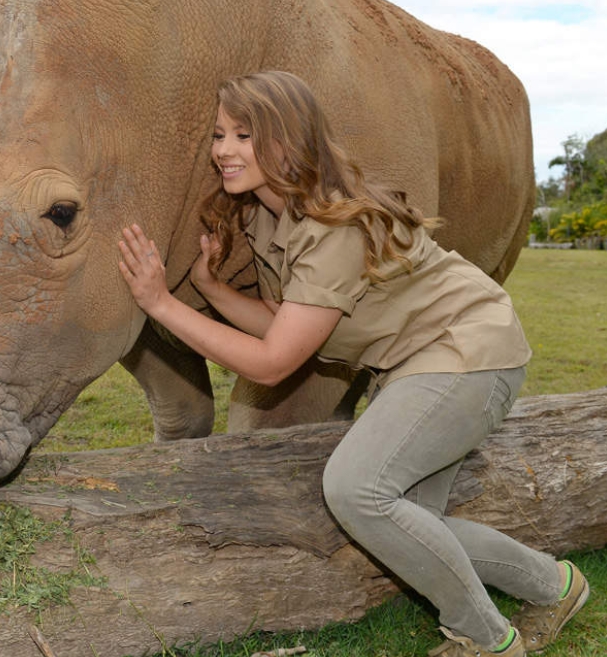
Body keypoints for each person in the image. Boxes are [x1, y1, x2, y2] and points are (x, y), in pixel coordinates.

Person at [117, 71, 589, 657]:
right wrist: (211, 288)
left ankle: (486, 640)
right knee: (414, 523)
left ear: (287, 141)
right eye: (219, 135)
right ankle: (558, 585)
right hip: (419, 365)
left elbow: (273, 363)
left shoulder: (329, 225)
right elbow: (287, 323)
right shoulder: (271, 215)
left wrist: (159, 303)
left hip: (469, 353)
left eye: (243, 135)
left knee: (355, 490)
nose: (223, 150)